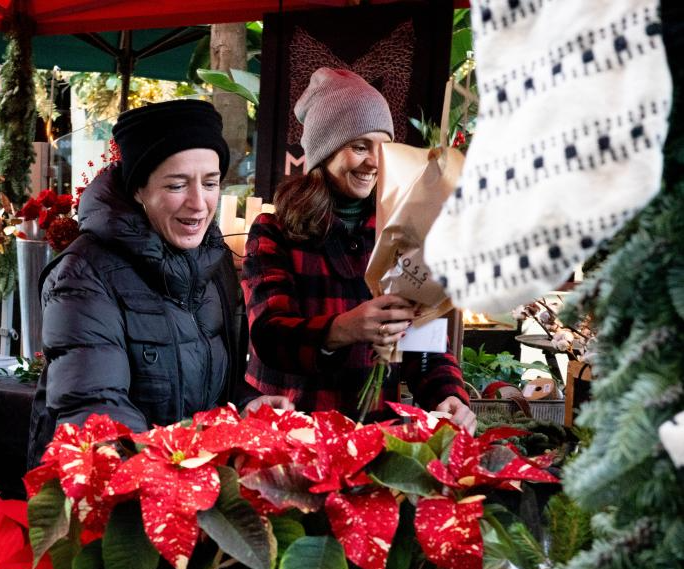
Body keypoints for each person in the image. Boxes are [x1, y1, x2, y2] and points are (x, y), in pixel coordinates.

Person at [28, 99, 292, 465]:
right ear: (139, 190)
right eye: (177, 185)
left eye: (211, 183)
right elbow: (97, 416)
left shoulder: (213, 263)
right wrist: (178, 465)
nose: (199, 203)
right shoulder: (83, 275)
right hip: (110, 495)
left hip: (189, 485)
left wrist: (247, 406)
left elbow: (217, 389)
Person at [242, 68, 475, 432]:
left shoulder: (402, 230)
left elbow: (423, 338)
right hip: (296, 430)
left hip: (376, 431)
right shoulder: (275, 231)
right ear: (324, 151)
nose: (374, 162)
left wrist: (448, 395)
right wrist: (343, 329)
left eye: (384, 148)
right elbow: (270, 337)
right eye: (360, 146)